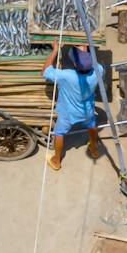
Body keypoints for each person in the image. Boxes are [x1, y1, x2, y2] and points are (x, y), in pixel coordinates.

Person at [43, 42, 104, 172]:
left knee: (59, 133)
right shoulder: (98, 71)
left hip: (68, 114)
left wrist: (55, 50)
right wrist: (85, 49)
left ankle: (56, 160)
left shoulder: (67, 76)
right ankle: (93, 147)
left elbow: (46, 71)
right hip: (87, 111)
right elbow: (93, 63)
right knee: (92, 125)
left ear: (75, 64)